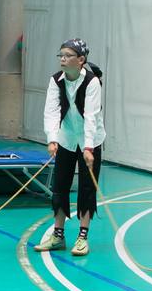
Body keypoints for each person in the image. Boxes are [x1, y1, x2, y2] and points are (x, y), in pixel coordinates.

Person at [35, 38, 105, 257]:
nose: (62, 59)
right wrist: (52, 139)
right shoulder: (56, 80)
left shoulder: (92, 82)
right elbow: (52, 111)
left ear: (81, 60)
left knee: (86, 187)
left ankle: (82, 237)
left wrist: (88, 148)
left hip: (90, 140)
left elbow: (91, 117)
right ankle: (58, 236)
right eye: (61, 55)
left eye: (68, 56)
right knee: (60, 185)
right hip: (66, 138)